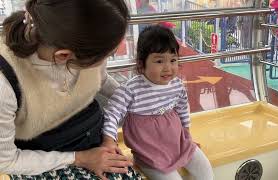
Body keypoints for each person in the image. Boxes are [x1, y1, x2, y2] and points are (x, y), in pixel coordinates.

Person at [0, 0, 142, 179]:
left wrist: (136, 103)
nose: (109, 56)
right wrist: (81, 158)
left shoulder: (80, 43)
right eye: (108, 54)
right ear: (64, 56)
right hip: (39, 158)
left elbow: (101, 79)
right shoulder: (4, 86)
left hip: (92, 135)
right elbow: (6, 160)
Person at [102, 25, 214, 180]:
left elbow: (182, 108)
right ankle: (142, 161)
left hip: (178, 143)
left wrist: (186, 134)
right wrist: (109, 140)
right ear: (142, 64)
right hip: (149, 152)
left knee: (205, 170)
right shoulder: (131, 90)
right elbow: (112, 114)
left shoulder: (176, 85)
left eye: (173, 60)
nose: (168, 68)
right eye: (160, 61)